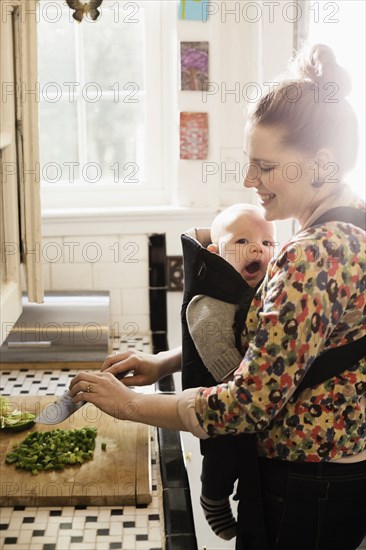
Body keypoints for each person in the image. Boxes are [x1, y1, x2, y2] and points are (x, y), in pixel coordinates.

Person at [69, 44, 366, 550]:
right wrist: (165, 363)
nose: (250, 181)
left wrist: (131, 406)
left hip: (306, 485)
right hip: (330, 480)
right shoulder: (349, 223)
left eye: (265, 167)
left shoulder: (311, 254)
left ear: (321, 163)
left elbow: (248, 404)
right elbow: (284, 351)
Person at [181, 204, 275, 540]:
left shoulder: (265, 291)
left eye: (267, 244)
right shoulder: (207, 303)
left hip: (251, 401)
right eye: (242, 241)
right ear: (215, 253)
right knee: (222, 456)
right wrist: (243, 381)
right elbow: (218, 354)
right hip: (220, 398)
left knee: (247, 457)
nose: (256, 249)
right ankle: (214, 497)